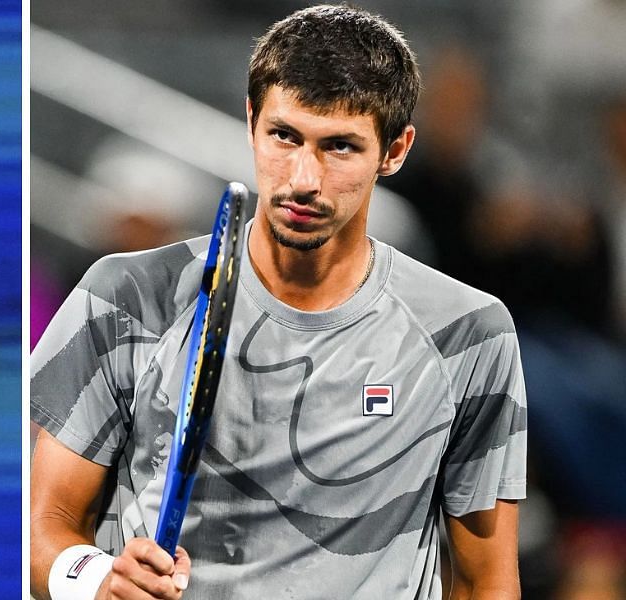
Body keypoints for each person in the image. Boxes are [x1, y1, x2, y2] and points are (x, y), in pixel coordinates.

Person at [30, 5, 526, 600]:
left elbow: (485, 580)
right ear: (250, 120)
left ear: (395, 151)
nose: (303, 179)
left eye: (340, 147)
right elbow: (42, 529)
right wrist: (98, 580)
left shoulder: (468, 333)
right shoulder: (128, 296)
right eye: (284, 136)